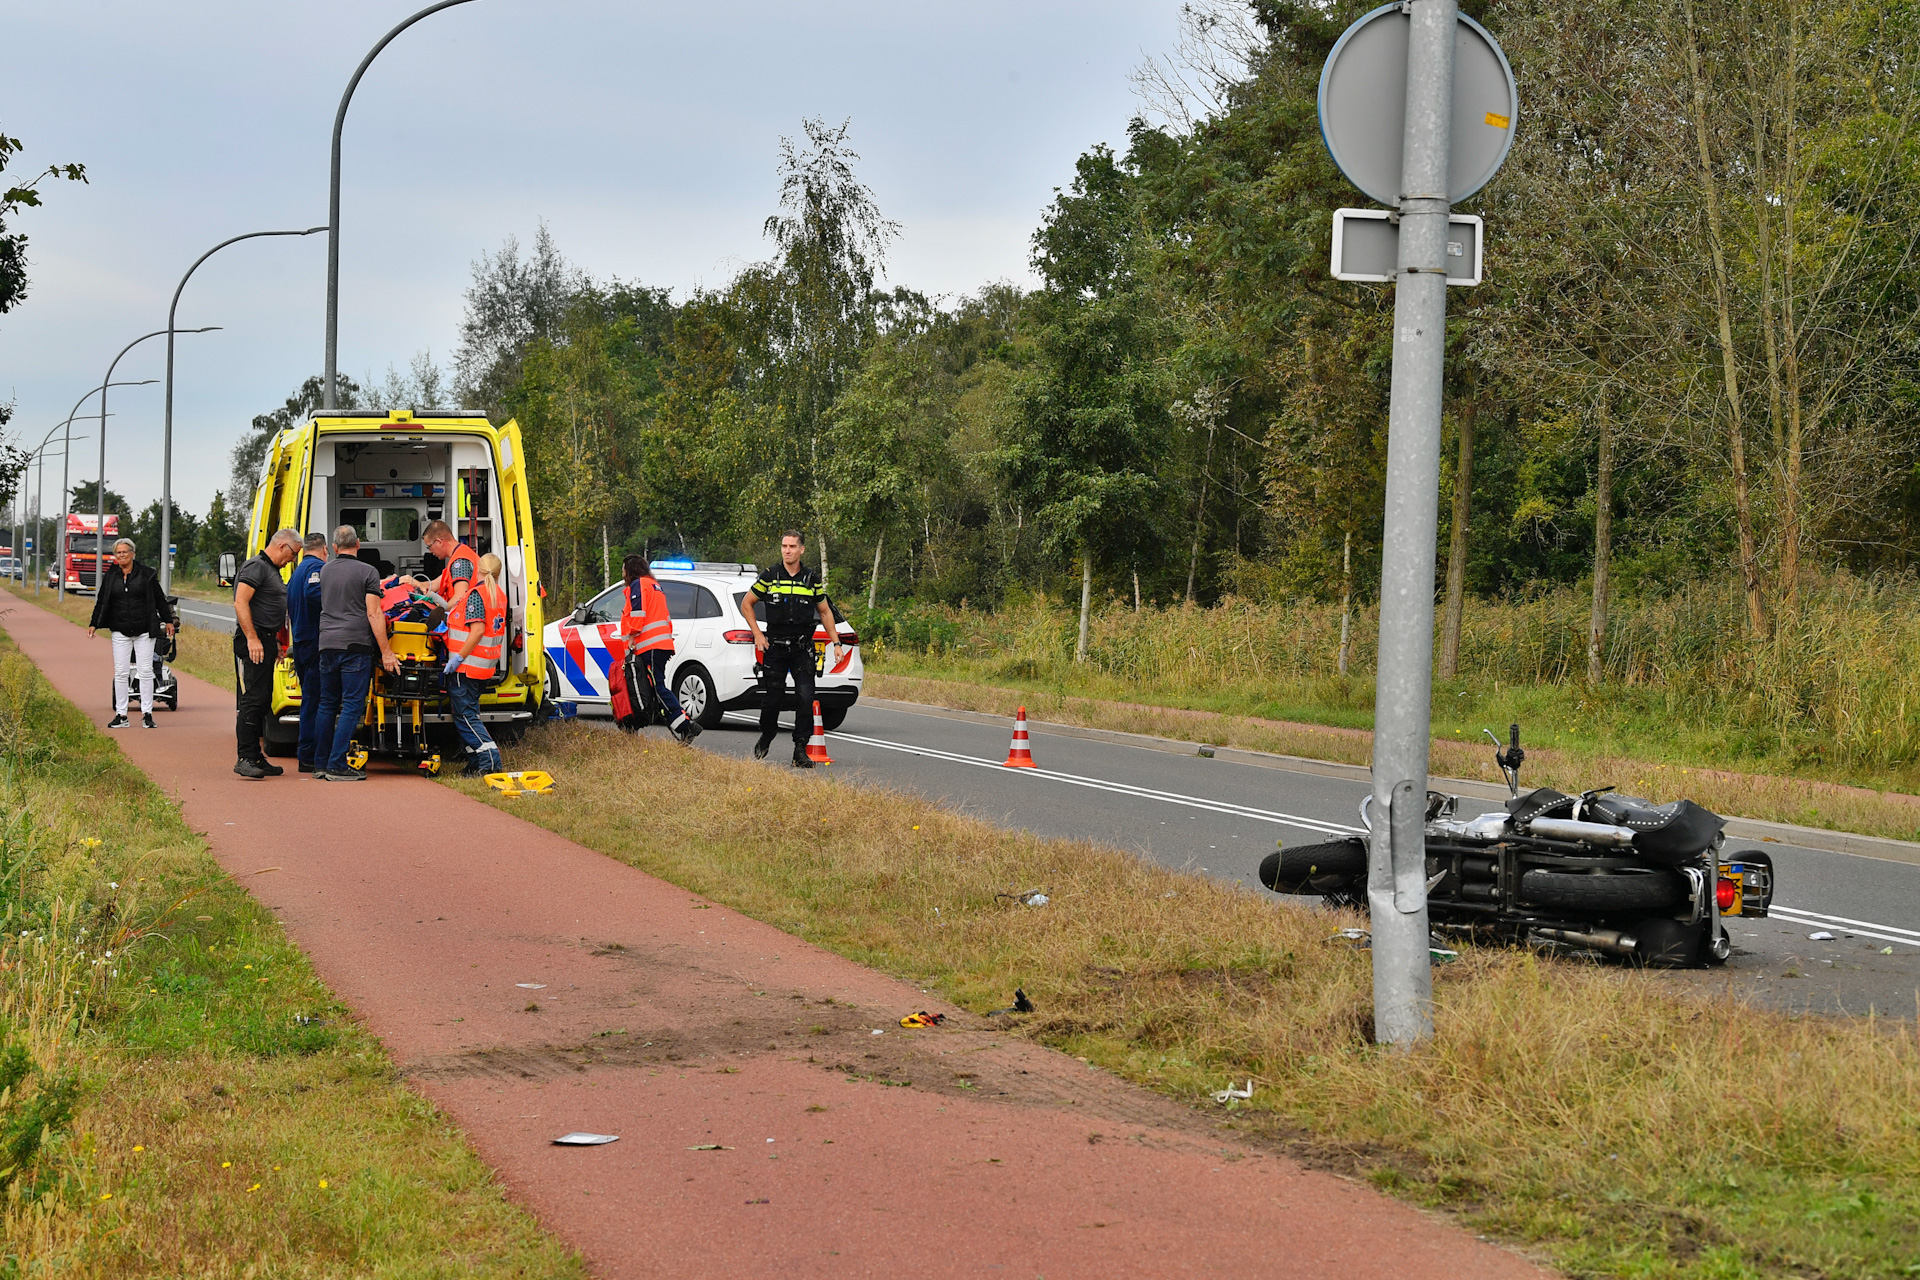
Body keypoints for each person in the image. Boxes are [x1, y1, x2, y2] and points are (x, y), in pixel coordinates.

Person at [739, 530, 839, 768]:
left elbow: (824, 611)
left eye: (792, 546)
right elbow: (747, 604)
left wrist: (836, 643)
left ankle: (800, 750)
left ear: (801, 549)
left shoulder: (811, 579)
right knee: (772, 700)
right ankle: (767, 735)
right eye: (784, 546)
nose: (787, 550)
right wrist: (757, 634)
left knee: (805, 698)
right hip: (775, 647)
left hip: (802, 648)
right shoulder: (770, 576)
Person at [312, 525, 400, 782]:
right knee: (352, 705)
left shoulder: (325, 570)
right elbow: (374, 613)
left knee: (327, 703)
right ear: (358, 544)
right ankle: (337, 764)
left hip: (327, 642)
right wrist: (386, 651)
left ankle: (320, 763)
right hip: (355, 645)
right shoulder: (368, 572)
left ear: (336, 547)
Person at [233, 528, 302, 779]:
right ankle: (245, 757)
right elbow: (241, 602)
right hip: (255, 639)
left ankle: (256, 756)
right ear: (283, 546)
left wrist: (279, 642)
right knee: (253, 698)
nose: (292, 560)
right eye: (293, 554)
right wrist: (253, 638)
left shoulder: (271, 570)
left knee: (263, 699)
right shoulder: (256, 567)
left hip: (266, 639)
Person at [87, 537, 175, 730]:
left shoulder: (146, 575)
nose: (121, 555)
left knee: (145, 671)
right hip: (120, 630)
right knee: (121, 673)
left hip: (144, 630)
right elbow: (102, 601)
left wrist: (168, 620)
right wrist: (94, 624)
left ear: (133, 554)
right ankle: (121, 715)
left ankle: (147, 714)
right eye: (118, 552)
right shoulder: (111, 576)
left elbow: (160, 599)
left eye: (125, 552)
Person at [620, 555, 700, 745]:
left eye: (623, 569)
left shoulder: (639, 585)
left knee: (656, 688)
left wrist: (632, 637)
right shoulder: (654, 585)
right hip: (659, 645)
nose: (622, 574)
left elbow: (638, 614)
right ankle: (681, 726)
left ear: (630, 570)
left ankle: (686, 726)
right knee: (652, 688)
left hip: (649, 645)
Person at [445, 551, 508, 777]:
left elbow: (478, 630)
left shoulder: (476, 595)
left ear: (478, 571)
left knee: (466, 716)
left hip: (467, 667)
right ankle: (474, 761)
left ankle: (489, 760)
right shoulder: (499, 594)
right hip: (484, 666)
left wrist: (458, 658)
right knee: (468, 714)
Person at [285, 533, 329, 773]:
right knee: (316, 701)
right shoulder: (317, 569)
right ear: (323, 549)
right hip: (314, 642)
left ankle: (307, 752)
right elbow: (315, 595)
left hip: (302, 641)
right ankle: (310, 755)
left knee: (310, 701)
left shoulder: (297, 572)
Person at [421, 520, 478, 626]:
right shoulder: (460, 555)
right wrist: (411, 583)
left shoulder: (460, 562)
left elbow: (460, 598)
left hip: (465, 627)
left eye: (429, 547)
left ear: (439, 542)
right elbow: (434, 584)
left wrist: (440, 612)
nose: (430, 551)